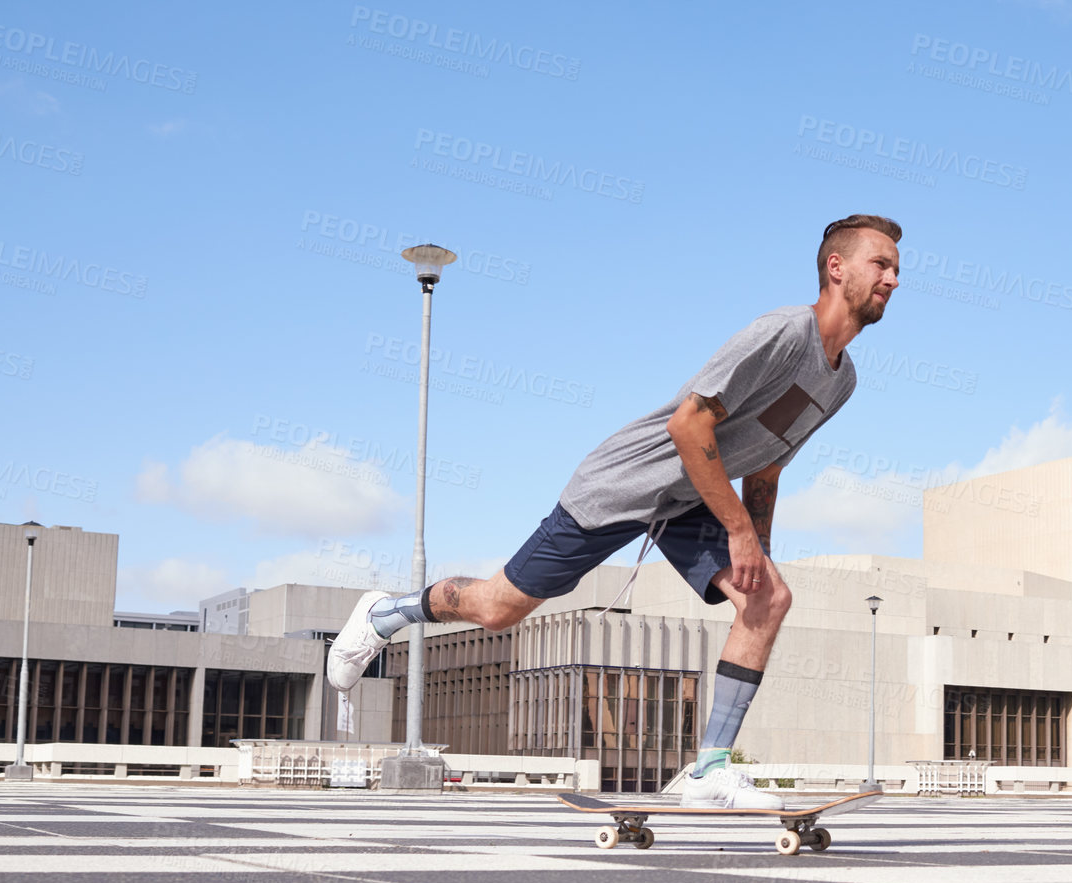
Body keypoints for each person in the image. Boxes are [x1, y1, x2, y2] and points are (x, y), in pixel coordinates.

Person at [327, 214, 902, 806]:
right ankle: (386, 613)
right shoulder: (783, 333)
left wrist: (756, 546)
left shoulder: (843, 380)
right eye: (880, 264)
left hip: (690, 498)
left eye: (896, 270)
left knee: (768, 597)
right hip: (624, 484)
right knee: (499, 610)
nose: (892, 279)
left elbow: (767, 467)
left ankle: (709, 770)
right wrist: (736, 529)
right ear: (837, 267)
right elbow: (689, 423)